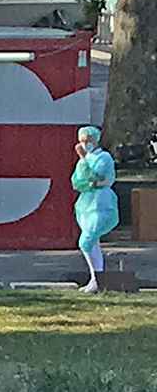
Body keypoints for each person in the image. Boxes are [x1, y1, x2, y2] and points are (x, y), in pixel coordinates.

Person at [71, 126, 118, 294]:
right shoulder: (84, 160)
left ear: (95, 140)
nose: (85, 144)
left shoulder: (104, 157)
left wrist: (86, 164)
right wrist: (88, 180)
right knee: (92, 242)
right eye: (82, 141)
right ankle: (96, 278)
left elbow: (98, 177)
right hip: (86, 205)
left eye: (88, 140)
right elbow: (77, 182)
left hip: (101, 203)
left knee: (86, 240)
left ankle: (97, 278)